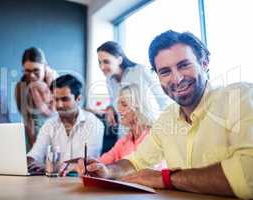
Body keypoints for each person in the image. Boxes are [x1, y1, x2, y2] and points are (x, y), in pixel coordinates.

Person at [77, 30, 253, 199]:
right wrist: (107, 171)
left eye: (184, 65)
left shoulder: (240, 97)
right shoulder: (167, 119)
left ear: (204, 63)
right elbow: (136, 161)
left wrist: (166, 178)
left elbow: (248, 175)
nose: (176, 79)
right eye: (165, 72)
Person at [90, 41, 171, 153]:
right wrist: (110, 107)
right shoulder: (109, 80)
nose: (102, 67)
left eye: (106, 62)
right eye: (99, 62)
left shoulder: (140, 71)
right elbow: (116, 102)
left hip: (148, 134)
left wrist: (161, 130)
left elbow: (163, 99)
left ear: (119, 59)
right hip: (125, 136)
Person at [27, 74, 104, 175]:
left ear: (78, 99)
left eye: (65, 99)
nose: (59, 105)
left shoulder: (94, 124)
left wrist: (50, 167)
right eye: (56, 99)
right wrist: (29, 162)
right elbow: (35, 154)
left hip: (81, 184)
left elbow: (86, 162)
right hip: (53, 184)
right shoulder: (49, 124)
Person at [98, 84, 155, 164]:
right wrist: (90, 163)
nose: (118, 109)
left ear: (138, 108)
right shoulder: (126, 139)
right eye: (118, 104)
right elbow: (106, 159)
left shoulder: (152, 139)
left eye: (124, 105)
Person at [15, 47, 58, 150]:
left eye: (36, 70)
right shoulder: (21, 87)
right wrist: (35, 149)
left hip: (57, 135)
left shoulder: (58, 83)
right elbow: (27, 121)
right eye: (27, 71)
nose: (32, 75)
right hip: (33, 136)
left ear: (45, 67)